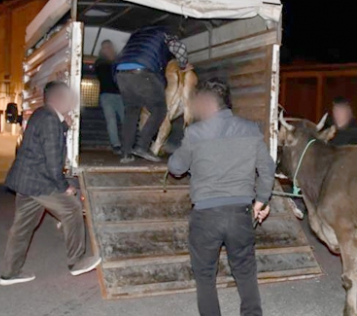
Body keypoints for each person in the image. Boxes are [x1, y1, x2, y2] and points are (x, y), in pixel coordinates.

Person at [168, 78, 274, 316]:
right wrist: (261, 201)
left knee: (205, 276)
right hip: (241, 214)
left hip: (206, 216)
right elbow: (267, 169)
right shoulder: (251, 129)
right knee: (245, 271)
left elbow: (176, 168)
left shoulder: (195, 133)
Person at [1, 81, 101, 286]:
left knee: (22, 227)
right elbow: (52, 159)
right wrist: (65, 186)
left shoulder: (42, 114)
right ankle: (77, 261)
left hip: (26, 181)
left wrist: (64, 126)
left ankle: (10, 274)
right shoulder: (50, 121)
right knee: (72, 209)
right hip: (39, 181)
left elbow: (45, 141)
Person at [115, 26, 192, 163]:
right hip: (143, 71)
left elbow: (121, 55)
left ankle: (126, 153)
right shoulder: (164, 35)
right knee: (159, 109)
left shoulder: (136, 35)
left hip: (121, 73)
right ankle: (142, 146)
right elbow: (179, 48)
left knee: (131, 112)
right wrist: (182, 65)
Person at [95, 40, 124, 155]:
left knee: (126, 119)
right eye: (105, 48)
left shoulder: (118, 62)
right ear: (102, 50)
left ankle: (128, 143)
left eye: (109, 47)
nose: (107, 49)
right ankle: (116, 144)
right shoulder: (100, 62)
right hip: (106, 95)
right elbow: (107, 76)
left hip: (120, 95)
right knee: (111, 120)